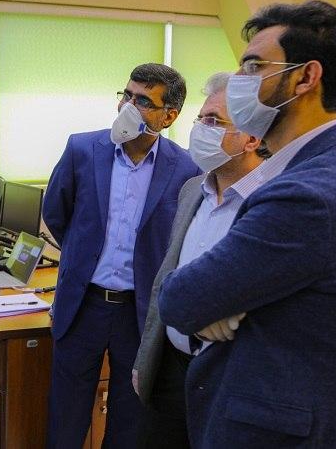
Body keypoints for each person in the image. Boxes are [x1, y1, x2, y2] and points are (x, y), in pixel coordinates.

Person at [157, 0, 336, 448]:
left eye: (254, 67)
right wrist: (223, 303)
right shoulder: (332, 165)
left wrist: (219, 305)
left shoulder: (308, 194)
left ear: (306, 78)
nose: (239, 80)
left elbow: (179, 299)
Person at [43, 63, 201, 448]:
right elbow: (56, 215)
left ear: (169, 116)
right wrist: (81, 257)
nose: (128, 106)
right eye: (126, 95)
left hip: (139, 312)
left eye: (143, 101)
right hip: (84, 304)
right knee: (66, 417)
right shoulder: (82, 149)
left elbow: (181, 240)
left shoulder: (186, 168)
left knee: (129, 422)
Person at [133, 72, 269, 448]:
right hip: (171, 370)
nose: (201, 129)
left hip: (230, 377)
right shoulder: (193, 190)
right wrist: (146, 361)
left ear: (252, 138)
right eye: (201, 118)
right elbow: (167, 276)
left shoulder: (274, 202)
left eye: (214, 121)